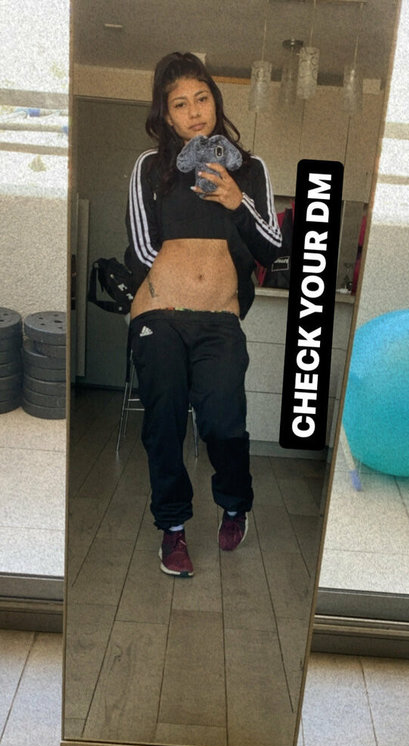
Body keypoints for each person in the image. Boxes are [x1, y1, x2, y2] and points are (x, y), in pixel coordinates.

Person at [125, 52, 282, 578]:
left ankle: (235, 503)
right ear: (166, 115)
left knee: (223, 421)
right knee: (164, 419)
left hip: (219, 319)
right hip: (160, 312)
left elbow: (271, 249)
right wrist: (172, 282)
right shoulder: (150, 167)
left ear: (215, 101)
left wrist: (237, 201)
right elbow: (142, 246)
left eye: (202, 98)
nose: (194, 111)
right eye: (180, 104)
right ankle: (172, 526)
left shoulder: (251, 170)